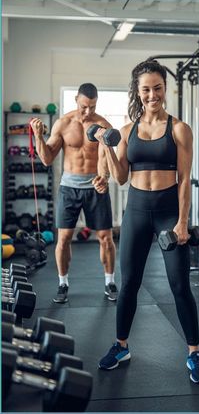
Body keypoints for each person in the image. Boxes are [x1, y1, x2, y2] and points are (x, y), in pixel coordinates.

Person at [95, 59, 199, 384]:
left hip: (169, 212)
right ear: (138, 91)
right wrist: (105, 148)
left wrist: (183, 223)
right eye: (146, 89)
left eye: (157, 88)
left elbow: (185, 179)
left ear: (164, 89)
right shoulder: (128, 130)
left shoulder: (178, 128)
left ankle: (194, 352)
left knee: (178, 286)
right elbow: (119, 177)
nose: (152, 95)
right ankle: (121, 346)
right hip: (136, 212)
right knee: (129, 283)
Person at [30, 83, 118, 303]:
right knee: (64, 238)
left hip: (95, 187)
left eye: (93, 106)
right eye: (84, 106)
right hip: (69, 188)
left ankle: (110, 281)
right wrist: (38, 136)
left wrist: (103, 177)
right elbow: (47, 158)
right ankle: (63, 283)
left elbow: (104, 157)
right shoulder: (63, 123)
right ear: (76, 100)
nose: (88, 111)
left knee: (106, 237)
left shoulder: (102, 125)